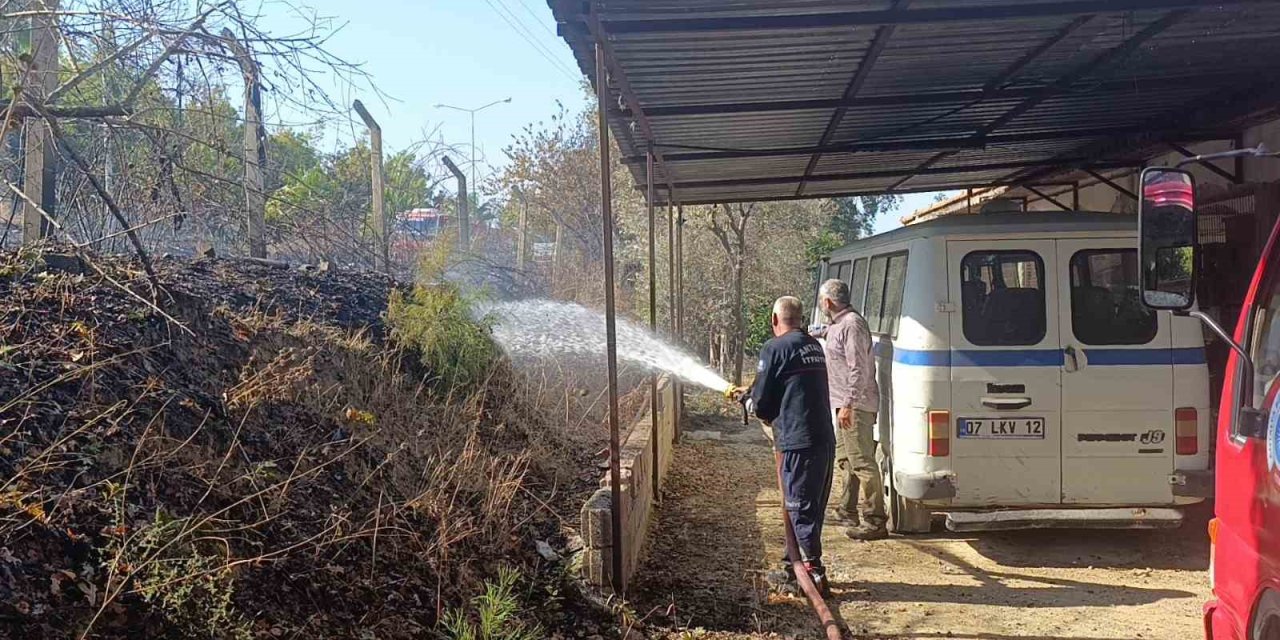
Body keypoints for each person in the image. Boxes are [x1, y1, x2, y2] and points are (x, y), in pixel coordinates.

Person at [744, 296, 836, 595]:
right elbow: (791, 386)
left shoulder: (774, 348)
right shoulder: (813, 346)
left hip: (798, 442)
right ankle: (792, 564)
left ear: (774, 320)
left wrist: (749, 402)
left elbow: (762, 405)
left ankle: (812, 571)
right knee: (811, 506)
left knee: (798, 506)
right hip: (823, 437)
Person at [817, 279, 888, 540]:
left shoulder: (852, 325)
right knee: (846, 460)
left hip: (855, 405)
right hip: (843, 405)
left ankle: (875, 520)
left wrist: (848, 404)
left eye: (821, 301)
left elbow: (859, 368)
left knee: (863, 463)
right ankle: (847, 509)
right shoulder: (838, 325)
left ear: (828, 302)